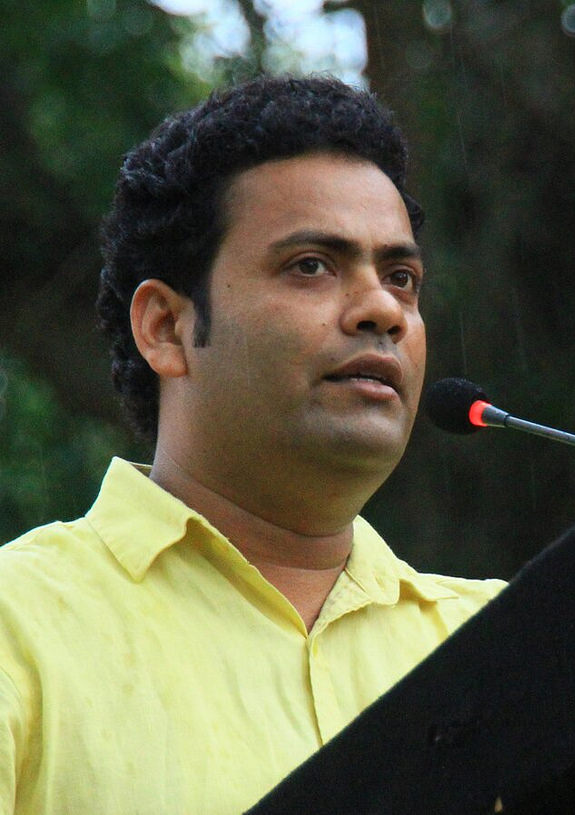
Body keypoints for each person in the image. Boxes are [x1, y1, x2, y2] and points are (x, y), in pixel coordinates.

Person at [0, 75, 505, 814]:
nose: (382, 309)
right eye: (311, 266)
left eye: (401, 278)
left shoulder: (507, 644)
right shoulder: (19, 624)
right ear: (167, 329)